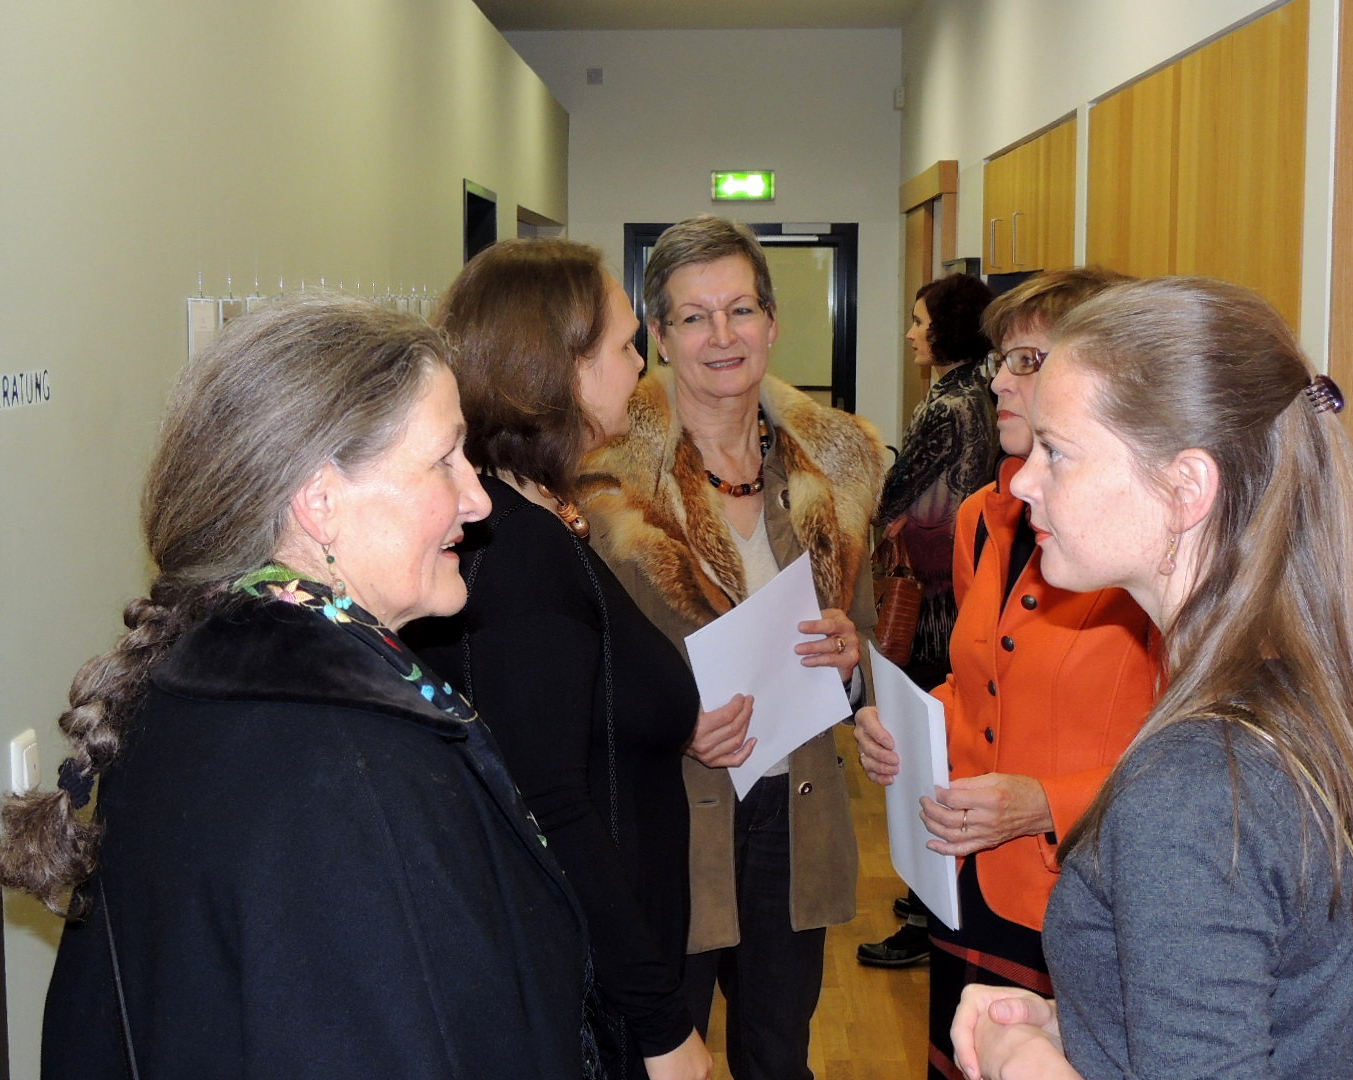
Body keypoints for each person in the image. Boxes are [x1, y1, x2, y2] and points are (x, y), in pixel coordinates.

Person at [0, 296, 593, 1078]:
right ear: (320, 501)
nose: (478, 500)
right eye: (445, 459)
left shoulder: (199, 680)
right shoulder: (347, 766)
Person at [949, 277, 1353, 1080]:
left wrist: (1019, 1059)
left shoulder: (1199, 785)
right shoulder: (1296, 699)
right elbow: (1267, 1014)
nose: (1026, 480)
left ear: (1185, 489)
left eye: (1057, 452)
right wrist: (1079, 1022)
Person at [579, 215, 883, 1080]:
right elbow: (578, 675)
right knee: (662, 1055)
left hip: (797, 806)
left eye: (741, 310)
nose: (722, 335)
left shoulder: (836, 469)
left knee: (779, 1053)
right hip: (667, 818)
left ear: (773, 322)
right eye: (694, 317)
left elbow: (862, 641)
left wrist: (852, 661)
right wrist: (673, 725)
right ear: (660, 336)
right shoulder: (602, 481)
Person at [407, 238, 715, 1080]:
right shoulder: (518, 551)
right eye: (624, 345)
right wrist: (661, 1026)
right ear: (562, 370)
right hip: (597, 1003)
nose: (641, 364)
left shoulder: (530, 515)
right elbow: (550, 806)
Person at [855, 269, 1161, 1076]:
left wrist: (1045, 803)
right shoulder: (983, 519)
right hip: (964, 880)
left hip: (1083, 899)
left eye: (1028, 360)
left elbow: (1192, 760)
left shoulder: (1148, 550)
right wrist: (911, 730)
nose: (998, 382)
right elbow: (978, 682)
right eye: (1002, 360)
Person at [874, 273, 999, 691]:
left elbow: (893, 495)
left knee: (919, 686)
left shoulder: (946, 404)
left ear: (947, 328)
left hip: (932, 582)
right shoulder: (982, 392)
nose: (910, 335)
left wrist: (881, 508)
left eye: (918, 323)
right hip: (966, 560)